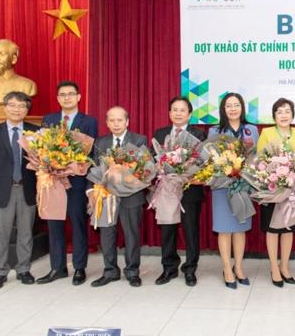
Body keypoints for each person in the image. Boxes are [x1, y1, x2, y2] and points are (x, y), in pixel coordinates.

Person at [37, 81, 98, 285]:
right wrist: (52, 164)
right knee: (54, 224)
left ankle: (79, 268)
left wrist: (75, 167)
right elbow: (41, 149)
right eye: (62, 94)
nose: (67, 98)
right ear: (58, 98)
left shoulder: (89, 121)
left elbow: (92, 153)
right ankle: (58, 267)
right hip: (53, 181)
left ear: (78, 97)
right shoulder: (49, 120)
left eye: (71, 94)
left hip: (77, 182)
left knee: (78, 224)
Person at [0, 91, 38, 290]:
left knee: (26, 233)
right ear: (5, 108)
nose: (17, 109)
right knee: (0, 234)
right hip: (1, 191)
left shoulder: (35, 132)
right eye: (12, 105)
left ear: (27, 110)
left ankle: (24, 269)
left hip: (27, 190)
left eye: (21, 106)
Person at [89, 106, 147, 288]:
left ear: (127, 122)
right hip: (106, 196)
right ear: (107, 123)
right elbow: (93, 168)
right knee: (107, 234)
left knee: (132, 235)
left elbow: (144, 169)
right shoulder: (100, 142)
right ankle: (110, 271)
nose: (116, 124)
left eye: (120, 120)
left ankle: (132, 272)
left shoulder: (139, 140)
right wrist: (92, 191)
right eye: (112, 120)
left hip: (132, 195)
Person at [153, 96, 207, 287]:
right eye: (174, 110)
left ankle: (190, 269)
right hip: (167, 189)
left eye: (182, 110)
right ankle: (169, 267)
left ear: (189, 114)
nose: (178, 113)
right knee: (167, 229)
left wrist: (186, 173)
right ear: (169, 113)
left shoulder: (199, 134)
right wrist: (159, 168)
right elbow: (153, 158)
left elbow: (203, 162)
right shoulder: (160, 133)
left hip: (189, 188)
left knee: (190, 230)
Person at [208, 93, 258, 289]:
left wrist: (246, 171)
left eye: (236, 105)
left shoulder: (251, 130)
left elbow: (256, 157)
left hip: (244, 186)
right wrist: (226, 170)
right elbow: (210, 158)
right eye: (229, 105)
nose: (233, 109)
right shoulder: (215, 130)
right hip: (222, 186)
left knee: (240, 228)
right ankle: (227, 269)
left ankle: (238, 267)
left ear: (242, 108)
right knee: (224, 229)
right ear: (223, 109)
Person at [257, 98, 295, 288]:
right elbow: (260, 161)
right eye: (279, 112)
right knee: (272, 229)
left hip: (293, 190)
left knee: (288, 229)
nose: (284, 115)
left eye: (287, 111)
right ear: (274, 116)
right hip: (272, 190)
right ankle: (273, 268)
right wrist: (274, 180)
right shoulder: (267, 133)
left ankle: (284, 266)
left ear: (292, 115)